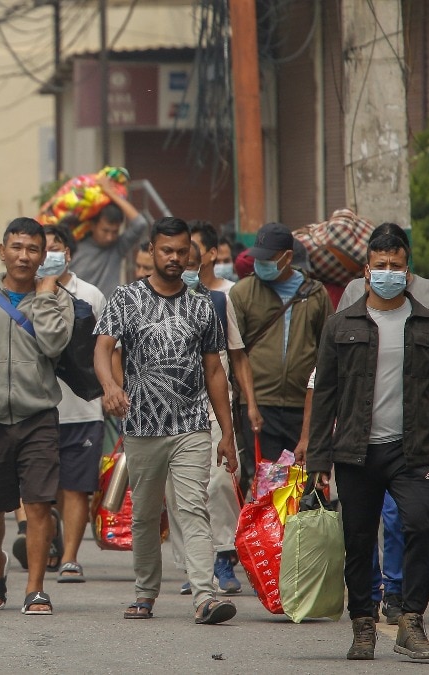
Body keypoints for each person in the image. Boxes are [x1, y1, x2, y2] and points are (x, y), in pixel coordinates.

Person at [307, 231, 429, 661]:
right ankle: (363, 625)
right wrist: (317, 459)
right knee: (359, 540)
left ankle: (411, 621)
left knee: (420, 524)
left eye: (394, 266)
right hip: (355, 452)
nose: (387, 273)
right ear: (366, 272)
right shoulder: (341, 326)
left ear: (407, 271)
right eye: (379, 266)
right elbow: (324, 394)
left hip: (411, 450)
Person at [92, 216, 238, 625]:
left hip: (191, 426)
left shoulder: (203, 305)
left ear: (191, 254)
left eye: (181, 252)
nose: (174, 259)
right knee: (144, 514)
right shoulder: (124, 298)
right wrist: (110, 387)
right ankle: (144, 592)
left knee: (193, 507)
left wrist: (226, 432)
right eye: (166, 251)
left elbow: (214, 371)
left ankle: (204, 596)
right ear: (151, 250)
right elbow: (103, 349)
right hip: (141, 426)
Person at [0, 217, 72, 614]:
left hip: (38, 416)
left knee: (39, 503)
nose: (24, 255)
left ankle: (35, 587)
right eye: (16, 247)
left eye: (33, 249)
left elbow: (55, 344)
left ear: (43, 256)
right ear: (2, 251)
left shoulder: (57, 297)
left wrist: (44, 295)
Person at [166, 239, 249, 595]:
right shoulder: (155, 303)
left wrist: (249, 404)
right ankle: (195, 565)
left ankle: (222, 556)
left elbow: (236, 356)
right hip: (170, 412)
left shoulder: (218, 302)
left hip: (214, 409)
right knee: (180, 494)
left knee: (218, 483)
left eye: (193, 263)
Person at [229, 221, 332, 495]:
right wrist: (247, 403)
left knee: (305, 485)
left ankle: (303, 537)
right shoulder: (242, 293)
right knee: (271, 485)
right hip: (260, 407)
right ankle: (274, 538)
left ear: (287, 258)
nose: (260, 264)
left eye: (268, 259)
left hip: (305, 407)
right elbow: (235, 354)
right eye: (258, 258)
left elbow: (328, 352)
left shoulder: (316, 294)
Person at [32, 224, 105, 584]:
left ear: (69, 253)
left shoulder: (90, 295)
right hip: (38, 409)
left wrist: (112, 390)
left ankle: (71, 558)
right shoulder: (23, 294)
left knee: (77, 485)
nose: (48, 255)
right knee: (45, 490)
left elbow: (107, 350)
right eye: (39, 249)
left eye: (54, 248)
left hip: (84, 409)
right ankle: (46, 540)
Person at [68, 175, 151, 300]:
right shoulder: (74, 246)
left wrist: (110, 193)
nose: (110, 237)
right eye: (105, 230)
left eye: (115, 232)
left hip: (110, 315)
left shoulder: (117, 247)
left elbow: (140, 223)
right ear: (92, 225)